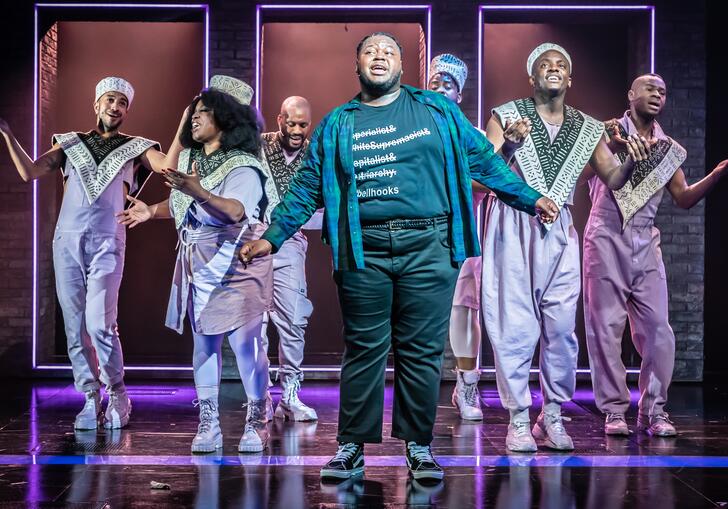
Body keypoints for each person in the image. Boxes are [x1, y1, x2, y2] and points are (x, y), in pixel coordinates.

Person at [241, 32, 559, 480]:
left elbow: (485, 163)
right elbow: (305, 188)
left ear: (402, 67)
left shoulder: (437, 110)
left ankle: (419, 448)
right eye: (369, 51)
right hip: (363, 248)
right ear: (356, 66)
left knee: (421, 351)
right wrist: (271, 238)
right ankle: (351, 447)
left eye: (388, 51)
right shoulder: (338, 123)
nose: (379, 56)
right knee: (364, 348)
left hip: (430, 246)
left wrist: (530, 198)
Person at [482, 43, 649, 452]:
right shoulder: (506, 116)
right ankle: (518, 418)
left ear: (570, 79)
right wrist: (509, 148)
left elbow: (613, 179)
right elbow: (482, 175)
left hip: (559, 231)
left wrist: (629, 156)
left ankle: (551, 414)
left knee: (560, 329)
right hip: (512, 226)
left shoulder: (588, 127)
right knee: (515, 326)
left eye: (561, 65)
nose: (553, 69)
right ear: (532, 76)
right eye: (545, 64)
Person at [0, 77, 183, 430]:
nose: (115, 107)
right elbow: (31, 171)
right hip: (66, 240)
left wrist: (181, 125)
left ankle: (116, 392)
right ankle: (88, 396)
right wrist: (8, 134)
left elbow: (165, 166)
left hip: (107, 240)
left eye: (122, 102)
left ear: (128, 109)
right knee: (74, 325)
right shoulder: (69, 143)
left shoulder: (136, 147)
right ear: (96, 103)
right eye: (109, 100)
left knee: (99, 323)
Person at [117, 76, 275, 453]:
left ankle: (256, 415)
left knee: (243, 344)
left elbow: (235, 211)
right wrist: (151, 209)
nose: (193, 118)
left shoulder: (244, 163)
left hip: (237, 260)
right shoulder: (190, 159)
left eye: (203, 112)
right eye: (193, 112)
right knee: (204, 342)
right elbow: (181, 202)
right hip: (197, 261)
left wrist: (199, 192)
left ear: (224, 118)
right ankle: (209, 421)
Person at [583, 73, 728, 437]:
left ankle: (655, 410)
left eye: (662, 91)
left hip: (646, 241)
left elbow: (683, 198)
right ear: (631, 94)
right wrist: (615, 148)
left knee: (658, 331)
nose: (657, 95)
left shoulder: (669, 148)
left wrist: (716, 175)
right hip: (606, 235)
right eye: (650, 89)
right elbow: (582, 172)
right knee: (605, 328)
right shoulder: (608, 132)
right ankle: (615, 410)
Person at [428, 53, 487, 421]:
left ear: (459, 95)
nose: (438, 89)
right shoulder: (410, 131)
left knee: (464, 311)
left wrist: (450, 179)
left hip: (461, 234)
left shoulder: (474, 135)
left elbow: (492, 178)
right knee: (416, 313)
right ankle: (416, 387)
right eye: (434, 83)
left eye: (446, 85)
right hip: (418, 234)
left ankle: (466, 385)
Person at [260, 96, 318, 422]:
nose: (296, 130)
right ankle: (260, 396)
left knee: (293, 320)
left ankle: (290, 394)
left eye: (303, 124)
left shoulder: (315, 153)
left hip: (291, 244)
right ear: (279, 118)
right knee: (256, 323)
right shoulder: (258, 145)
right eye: (291, 123)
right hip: (254, 241)